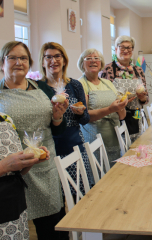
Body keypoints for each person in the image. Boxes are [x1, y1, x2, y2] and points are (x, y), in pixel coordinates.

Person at [0, 41, 68, 240]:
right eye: (12, 57)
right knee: (15, 227)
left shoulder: (44, 89)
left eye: (23, 58)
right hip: (11, 171)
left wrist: (57, 117)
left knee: (53, 228)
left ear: (29, 63)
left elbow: (58, 130)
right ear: (2, 63)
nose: (18, 62)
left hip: (45, 166)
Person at [38, 42, 93, 192]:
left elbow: (85, 120)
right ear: (42, 62)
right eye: (48, 57)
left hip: (75, 146)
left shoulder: (75, 85)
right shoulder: (38, 88)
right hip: (51, 149)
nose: (53, 61)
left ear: (64, 60)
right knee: (57, 198)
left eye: (57, 56)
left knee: (80, 193)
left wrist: (81, 113)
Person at [0, 113, 50, 239]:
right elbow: (6, 167)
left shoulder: (6, 119)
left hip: (16, 207)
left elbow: (17, 173)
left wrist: (30, 161)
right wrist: (3, 166)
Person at [78, 48, 130, 167]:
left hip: (114, 138)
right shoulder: (80, 84)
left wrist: (122, 106)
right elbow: (84, 117)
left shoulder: (108, 83)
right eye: (88, 58)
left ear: (101, 63)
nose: (93, 61)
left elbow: (122, 116)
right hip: (94, 139)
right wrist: (110, 109)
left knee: (115, 176)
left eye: (97, 58)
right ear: (82, 63)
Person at [100, 35, 148, 142]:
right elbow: (101, 97)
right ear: (116, 49)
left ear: (132, 50)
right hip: (115, 118)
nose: (125, 50)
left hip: (135, 117)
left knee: (135, 148)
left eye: (129, 48)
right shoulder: (107, 69)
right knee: (119, 149)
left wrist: (142, 98)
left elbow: (146, 99)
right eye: (122, 47)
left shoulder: (138, 70)